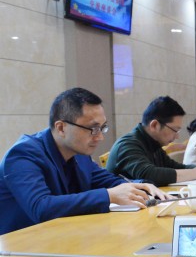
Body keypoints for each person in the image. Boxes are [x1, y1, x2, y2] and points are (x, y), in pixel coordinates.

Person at [0, 88, 166, 235]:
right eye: (93, 129)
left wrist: (141, 186)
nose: (100, 137)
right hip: (22, 249)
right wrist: (109, 196)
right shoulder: (23, 155)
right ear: (61, 128)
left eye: (102, 128)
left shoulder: (79, 153)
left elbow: (108, 181)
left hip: (63, 237)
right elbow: (41, 208)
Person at [106, 96, 196, 186]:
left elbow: (173, 167)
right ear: (155, 125)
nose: (177, 136)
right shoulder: (127, 144)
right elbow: (148, 174)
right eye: (175, 130)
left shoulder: (153, 143)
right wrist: (195, 173)